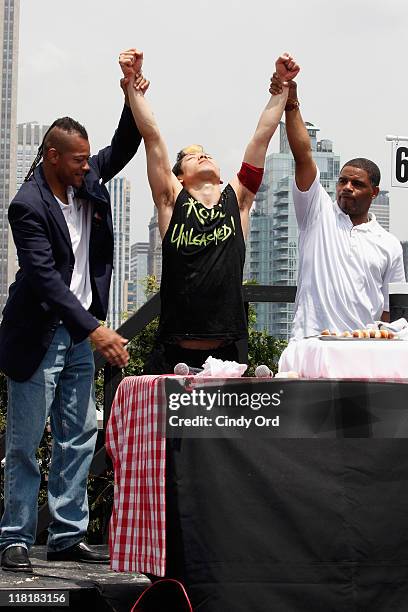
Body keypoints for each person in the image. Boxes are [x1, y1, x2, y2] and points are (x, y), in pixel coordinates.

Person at [0, 70, 143, 573]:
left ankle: (65, 534)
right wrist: (95, 329)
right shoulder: (28, 205)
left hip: (80, 335)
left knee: (79, 435)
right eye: (79, 160)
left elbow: (126, 143)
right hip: (42, 334)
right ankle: (15, 536)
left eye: (89, 159)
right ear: (53, 157)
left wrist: (130, 90)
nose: (87, 166)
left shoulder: (89, 179)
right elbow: (45, 281)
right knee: (25, 440)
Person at [119, 49, 300, 373]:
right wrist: (133, 85)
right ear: (179, 177)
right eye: (191, 157)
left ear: (218, 174)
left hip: (226, 354)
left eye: (206, 154)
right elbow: (152, 136)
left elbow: (262, 136)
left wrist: (283, 86)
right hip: (173, 353)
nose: (201, 156)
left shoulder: (239, 199)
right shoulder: (171, 202)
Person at [270, 73, 405, 340]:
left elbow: (391, 314)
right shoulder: (316, 212)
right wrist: (292, 102)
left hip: (361, 350)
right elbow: (303, 156)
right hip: (311, 343)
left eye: (357, 184)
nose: (347, 188)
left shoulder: (389, 244)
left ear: (374, 192)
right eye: (343, 181)